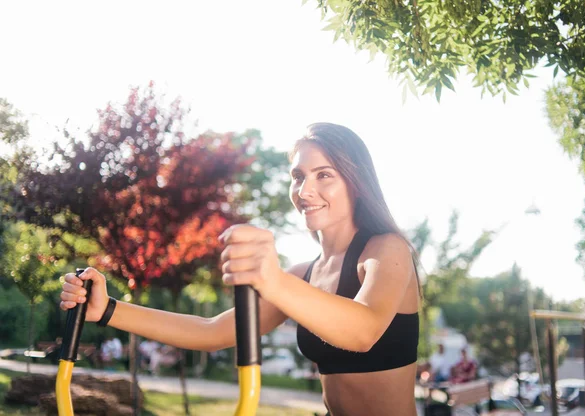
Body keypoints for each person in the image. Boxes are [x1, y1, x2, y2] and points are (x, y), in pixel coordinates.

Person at [59, 122, 421, 416]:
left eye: (324, 175)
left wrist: (272, 278)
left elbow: (364, 330)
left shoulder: (387, 249)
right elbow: (211, 330)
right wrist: (108, 310)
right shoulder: (302, 276)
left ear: (356, 182)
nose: (305, 190)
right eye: (298, 176)